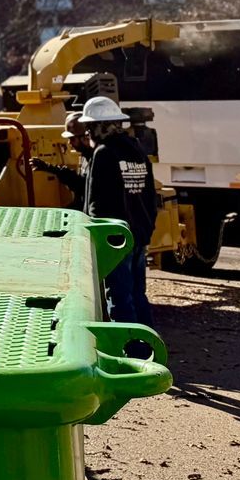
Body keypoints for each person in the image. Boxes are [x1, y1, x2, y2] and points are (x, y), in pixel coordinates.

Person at [68, 96, 162, 326]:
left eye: (90, 127)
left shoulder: (103, 153)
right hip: (138, 236)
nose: (88, 133)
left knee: (118, 298)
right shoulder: (137, 150)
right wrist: (146, 230)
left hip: (114, 241)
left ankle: (127, 354)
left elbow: (96, 204)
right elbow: (151, 196)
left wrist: (94, 239)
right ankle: (147, 348)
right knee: (138, 295)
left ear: (101, 127)